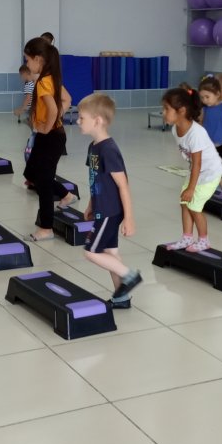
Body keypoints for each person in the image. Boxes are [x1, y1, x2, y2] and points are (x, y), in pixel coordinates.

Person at [77, 93, 142, 308]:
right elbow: (95, 180)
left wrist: (129, 218)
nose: (77, 121)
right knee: (110, 252)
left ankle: (130, 276)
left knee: (91, 252)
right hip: (101, 207)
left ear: (97, 120)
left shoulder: (109, 150)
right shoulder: (93, 147)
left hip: (110, 211)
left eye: (81, 118)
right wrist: (90, 204)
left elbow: (123, 185)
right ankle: (121, 297)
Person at [161, 86, 222, 252]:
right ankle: (187, 238)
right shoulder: (175, 129)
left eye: (166, 109)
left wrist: (191, 188)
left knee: (194, 206)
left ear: (181, 111)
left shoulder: (196, 133)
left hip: (209, 173)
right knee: (184, 203)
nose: (163, 112)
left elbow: (198, 163)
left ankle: (204, 240)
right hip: (196, 171)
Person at [23, 37, 67, 241]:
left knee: (44, 182)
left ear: (38, 59)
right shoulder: (50, 78)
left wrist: (46, 127)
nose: (27, 64)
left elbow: (53, 109)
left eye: (27, 59)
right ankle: (66, 195)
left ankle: (46, 228)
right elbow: (67, 100)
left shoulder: (43, 82)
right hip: (49, 137)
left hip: (50, 137)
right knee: (31, 173)